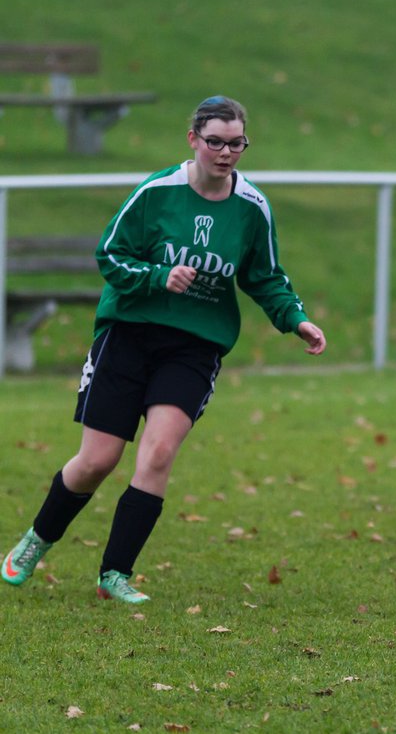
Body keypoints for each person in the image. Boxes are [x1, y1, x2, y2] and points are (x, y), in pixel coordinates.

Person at [1, 95, 326, 604]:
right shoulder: (157, 191)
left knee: (158, 452)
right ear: (193, 139)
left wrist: (297, 319)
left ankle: (115, 575)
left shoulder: (252, 209)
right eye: (214, 141)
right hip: (129, 335)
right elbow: (110, 254)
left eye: (235, 143)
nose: (225, 152)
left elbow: (265, 276)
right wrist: (159, 276)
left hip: (194, 348)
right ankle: (36, 540)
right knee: (97, 461)